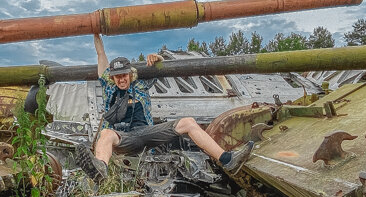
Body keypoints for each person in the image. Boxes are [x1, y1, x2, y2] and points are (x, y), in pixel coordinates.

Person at [75, 34, 253, 183]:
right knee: (106, 134)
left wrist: (157, 57)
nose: (121, 80)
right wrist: (96, 32)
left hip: (147, 132)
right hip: (125, 138)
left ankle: (226, 159)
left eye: (124, 76)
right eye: (117, 77)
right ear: (112, 78)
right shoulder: (109, 88)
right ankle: (100, 170)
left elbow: (159, 65)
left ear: (130, 74)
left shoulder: (140, 86)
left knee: (188, 122)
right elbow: (100, 54)